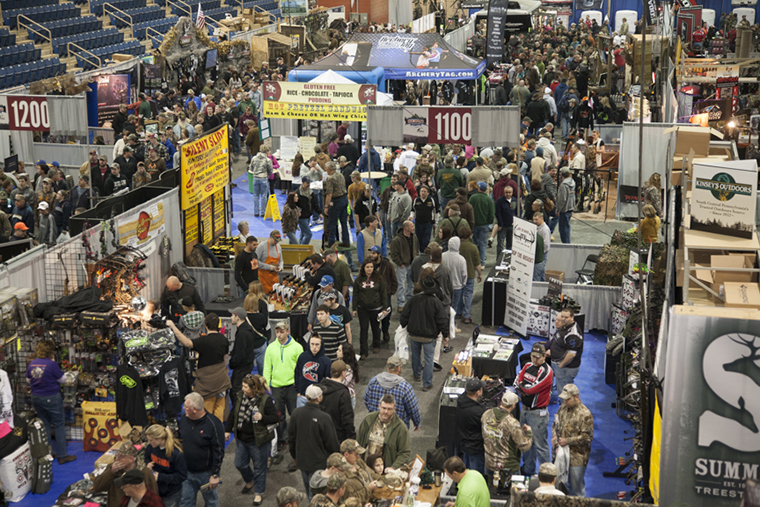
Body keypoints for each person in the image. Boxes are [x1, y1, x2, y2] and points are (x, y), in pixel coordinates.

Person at [225, 374, 278, 506]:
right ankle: (250, 479)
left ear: (254, 388)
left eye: (245, 387)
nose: (242, 389)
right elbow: (233, 414)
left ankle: (258, 493)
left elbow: (275, 418)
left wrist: (262, 417)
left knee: (260, 468)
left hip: (258, 441)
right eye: (242, 386)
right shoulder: (240, 397)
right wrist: (227, 429)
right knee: (239, 464)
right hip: (241, 439)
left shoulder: (265, 400)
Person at [167, 315, 230, 421]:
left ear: (205, 325)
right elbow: (225, 357)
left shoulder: (203, 340)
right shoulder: (224, 340)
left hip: (207, 383)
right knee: (220, 407)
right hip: (222, 380)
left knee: (207, 408)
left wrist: (173, 327)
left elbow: (187, 343)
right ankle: (218, 430)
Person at [25, 340, 76, 465]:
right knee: (59, 425)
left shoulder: (32, 363)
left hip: (36, 397)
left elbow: (27, 380)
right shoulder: (51, 364)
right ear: (51, 351)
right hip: (51, 397)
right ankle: (63, 455)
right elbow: (63, 379)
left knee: (45, 425)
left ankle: (48, 453)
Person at [289, 385, 341, 500]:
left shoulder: (296, 413)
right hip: (319, 463)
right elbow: (332, 442)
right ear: (318, 398)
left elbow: (291, 438)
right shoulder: (324, 417)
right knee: (317, 495)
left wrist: (294, 456)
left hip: (302, 460)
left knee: (308, 490)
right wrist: (337, 459)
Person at [400, 275, 448, 392]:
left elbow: (405, 314)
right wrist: (445, 335)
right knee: (428, 359)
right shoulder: (436, 302)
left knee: (415, 355)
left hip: (414, 333)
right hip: (429, 336)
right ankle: (427, 384)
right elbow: (442, 320)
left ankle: (416, 375)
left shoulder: (414, 299)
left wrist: (403, 324)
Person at [262, 321, 303, 453]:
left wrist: (300, 386)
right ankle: (282, 440)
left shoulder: (297, 347)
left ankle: (297, 439)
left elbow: (300, 369)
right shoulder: (270, 348)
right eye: (277, 332)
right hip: (276, 387)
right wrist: (266, 384)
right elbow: (267, 367)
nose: (279, 335)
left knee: (295, 414)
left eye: (282, 332)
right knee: (279, 416)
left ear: (287, 332)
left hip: (292, 386)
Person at [178, 393, 224, 507]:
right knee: (185, 503)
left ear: (194, 409)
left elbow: (218, 451)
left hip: (206, 474)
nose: (183, 409)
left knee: (211, 502)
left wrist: (214, 475)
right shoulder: (184, 419)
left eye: (186, 407)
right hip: (186, 472)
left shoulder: (213, 424)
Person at [481, 391, 533, 489]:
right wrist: (529, 433)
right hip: (508, 467)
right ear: (513, 405)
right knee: (512, 496)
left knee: (491, 492)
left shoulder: (486, 414)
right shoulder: (512, 423)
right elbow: (524, 446)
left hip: (489, 462)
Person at [515, 343, 553, 476]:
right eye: (533, 356)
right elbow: (517, 381)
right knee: (526, 441)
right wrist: (523, 387)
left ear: (544, 357)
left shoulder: (547, 371)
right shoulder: (527, 366)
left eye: (538, 357)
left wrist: (523, 387)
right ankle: (528, 469)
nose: (535, 359)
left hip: (538, 413)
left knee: (540, 445)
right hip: (524, 410)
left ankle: (547, 475)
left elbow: (531, 389)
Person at [552, 385, 594, 497]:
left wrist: (568, 441)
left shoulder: (585, 414)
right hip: (561, 455)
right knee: (562, 487)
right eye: (564, 399)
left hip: (577, 457)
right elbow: (555, 424)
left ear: (576, 397)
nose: (565, 401)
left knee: (577, 490)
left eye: (568, 399)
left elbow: (588, 437)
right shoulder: (562, 408)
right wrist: (555, 437)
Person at [91, 441, 159, 507]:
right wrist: (111, 472)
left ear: (131, 459)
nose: (117, 459)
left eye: (121, 457)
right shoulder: (112, 468)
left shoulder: (145, 472)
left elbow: (154, 497)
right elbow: (97, 488)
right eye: (116, 456)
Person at [363, 356, 420, 429]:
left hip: (376, 426)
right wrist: (416, 422)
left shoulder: (373, 381)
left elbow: (366, 399)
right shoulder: (405, 387)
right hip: (397, 429)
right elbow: (413, 408)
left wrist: (374, 411)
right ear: (399, 368)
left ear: (388, 367)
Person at [357, 394, 411, 471]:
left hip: (384, 471)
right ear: (379, 406)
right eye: (383, 408)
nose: (386, 411)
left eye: (389, 409)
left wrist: (393, 467)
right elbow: (359, 442)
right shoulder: (368, 420)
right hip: (365, 468)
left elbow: (404, 453)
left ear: (394, 409)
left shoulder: (401, 428)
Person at [144, 424, 187, 507]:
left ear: (159, 439)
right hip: (155, 489)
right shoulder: (151, 447)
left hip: (170, 493)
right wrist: (148, 464)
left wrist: (160, 477)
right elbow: (147, 457)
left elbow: (181, 476)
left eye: (150, 440)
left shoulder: (176, 453)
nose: (148, 442)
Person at [352, 259, 387, 357]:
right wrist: (354, 308)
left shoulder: (379, 279)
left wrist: (384, 308)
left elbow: (383, 294)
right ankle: (363, 351)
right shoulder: (358, 279)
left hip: (376, 308)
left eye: (371, 267)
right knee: (363, 329)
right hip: (362, 308)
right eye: (367, 267)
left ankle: (376, 345)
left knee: (376, 328)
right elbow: (355, 294)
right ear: (363, 268)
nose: (369, 269)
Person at [547, 308, 583, 398]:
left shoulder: (573, 335)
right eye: (562, 316)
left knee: (565, 394)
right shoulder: (565, 326)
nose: (563, 319)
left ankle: (565, 411)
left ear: (572, 317)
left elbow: (571, 354)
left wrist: (561, 366)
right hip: (559, 365)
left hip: (566, 368)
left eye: (566, 317)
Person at [318, 360, 356, 441]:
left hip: (321, 433)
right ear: (343, 373)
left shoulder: (320, 388)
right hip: (338, 436)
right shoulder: (343, 392)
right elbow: (347, 418)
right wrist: (352, 437)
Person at [456, 378, 486, 475]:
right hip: (475, 447)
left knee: (465, 472)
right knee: (475, 475)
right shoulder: (477, 412)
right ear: (477, 392)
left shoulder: (461, 401)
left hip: (464, 443)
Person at [228, 307, 256, 409]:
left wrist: (232, 363)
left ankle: (238, 417)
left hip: (241, 369)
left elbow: (240, 355)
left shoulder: (242, 333)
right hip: (247, 366)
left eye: (232, 315)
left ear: (237, 317)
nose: (231, 317)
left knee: (236, 394)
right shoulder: (246, 330)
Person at [295, 333, 331, 409]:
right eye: (312, 344)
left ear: (321, 345)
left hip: (318, 400)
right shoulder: (302, 356)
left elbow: (327, 381)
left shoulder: (326, 361)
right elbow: (297, 373)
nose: (314, 347)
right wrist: (298, 391)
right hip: (302, 397)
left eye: (317, 344)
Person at [389, 221, 419, 311]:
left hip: (412, 264)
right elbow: (393, 254)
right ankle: (400, 304)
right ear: (406, 228)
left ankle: (409, 301)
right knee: (401, 285)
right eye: (411, 226)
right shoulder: (397, 240)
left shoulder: (414, 237)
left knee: (411, 285)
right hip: (402, 265)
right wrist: (400, 263)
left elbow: (416, 248)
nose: (413, 228)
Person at [456, 226, 481, 325]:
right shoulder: (473, 247)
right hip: (469, 274)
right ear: (470, 235)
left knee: (458, 293)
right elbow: (477, 264)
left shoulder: (456, 246)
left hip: (458, 274)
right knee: (468, 294)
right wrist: (479, 274)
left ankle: (458, 312)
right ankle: (467, 315)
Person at [243, 284, 269, 374]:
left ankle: (247, 383)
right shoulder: (261, 316)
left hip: (247, 346)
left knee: (246, 368)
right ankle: (262, 383)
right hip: (260, 344)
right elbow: (264, 325)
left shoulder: (243, 317)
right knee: (262, 367)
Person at [323, 161, 350, 248]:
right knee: (343, 222)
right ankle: (346, 241)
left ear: (329, 169)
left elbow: (329, 194)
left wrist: (326, 206)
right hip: (344, 199)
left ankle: (331, 242)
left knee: (332, 223)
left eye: (326, 168)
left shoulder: (330, 179)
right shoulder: (340, 175)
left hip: (336, 201)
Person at [469, 181, 495, 267]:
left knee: (474, 243)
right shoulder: (489, 199)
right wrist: (489, 222)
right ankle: (482, 263)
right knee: (483, 244)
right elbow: (491, 214)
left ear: (478, 188)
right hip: (484, 225)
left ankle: (474, 262)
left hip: (474, 224)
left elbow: (470, 211)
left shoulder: (472, 198)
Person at [555, 168, 575, 244]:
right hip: (570, 207)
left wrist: (558, 209)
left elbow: (562, 199)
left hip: (564, 209)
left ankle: (566, 245)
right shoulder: (572, 182)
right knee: (567, 227)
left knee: (563, 229)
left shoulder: (563, 185)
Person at [532, 209, 550, 282]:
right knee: (541, 274)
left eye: (536, 219)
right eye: (534, 219)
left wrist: (538, 253)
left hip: (542, 255)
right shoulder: (536, 227)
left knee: (537, 275)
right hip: (539, 255)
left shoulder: (545, 230)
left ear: (541, 218)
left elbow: (546, 245)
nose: (535, 221)